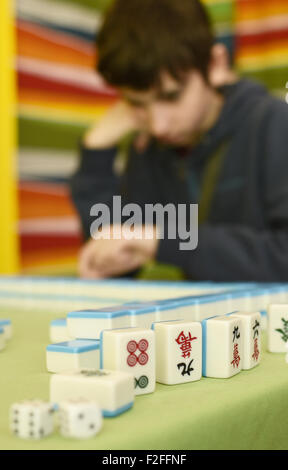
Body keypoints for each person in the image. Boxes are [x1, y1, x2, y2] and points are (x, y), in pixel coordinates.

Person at [70, 0, 288, 282]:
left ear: (215, 64)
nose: (159, 125)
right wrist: (96, 151)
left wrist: (167, 240)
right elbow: (114, 258)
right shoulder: (149, 147)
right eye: (137, 103)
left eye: (171, 96)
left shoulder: (273, 124)